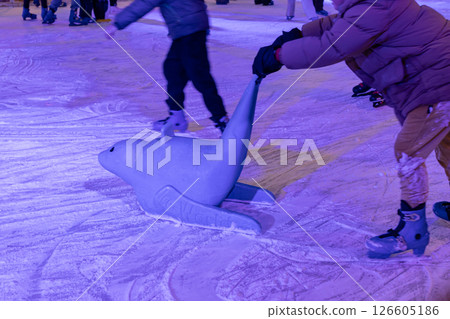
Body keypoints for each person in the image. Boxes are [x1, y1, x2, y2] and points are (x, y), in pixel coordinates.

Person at [253, 0, 450, 259]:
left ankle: (412, 230)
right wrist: (299, 34)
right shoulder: (373, 5)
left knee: (409, 151)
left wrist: (280, 56)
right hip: (436, 80)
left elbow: (332, 46)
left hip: (439, 85)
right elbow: (339, 24)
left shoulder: (374, 7)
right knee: (446, 144)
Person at [105, 0, 229, 133]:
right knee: (173, 69)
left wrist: (117, 23)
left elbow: (144, 4)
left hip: (188, 28)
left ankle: (222, 120)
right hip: (190, 27)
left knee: (199, 77)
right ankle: (176, 116)